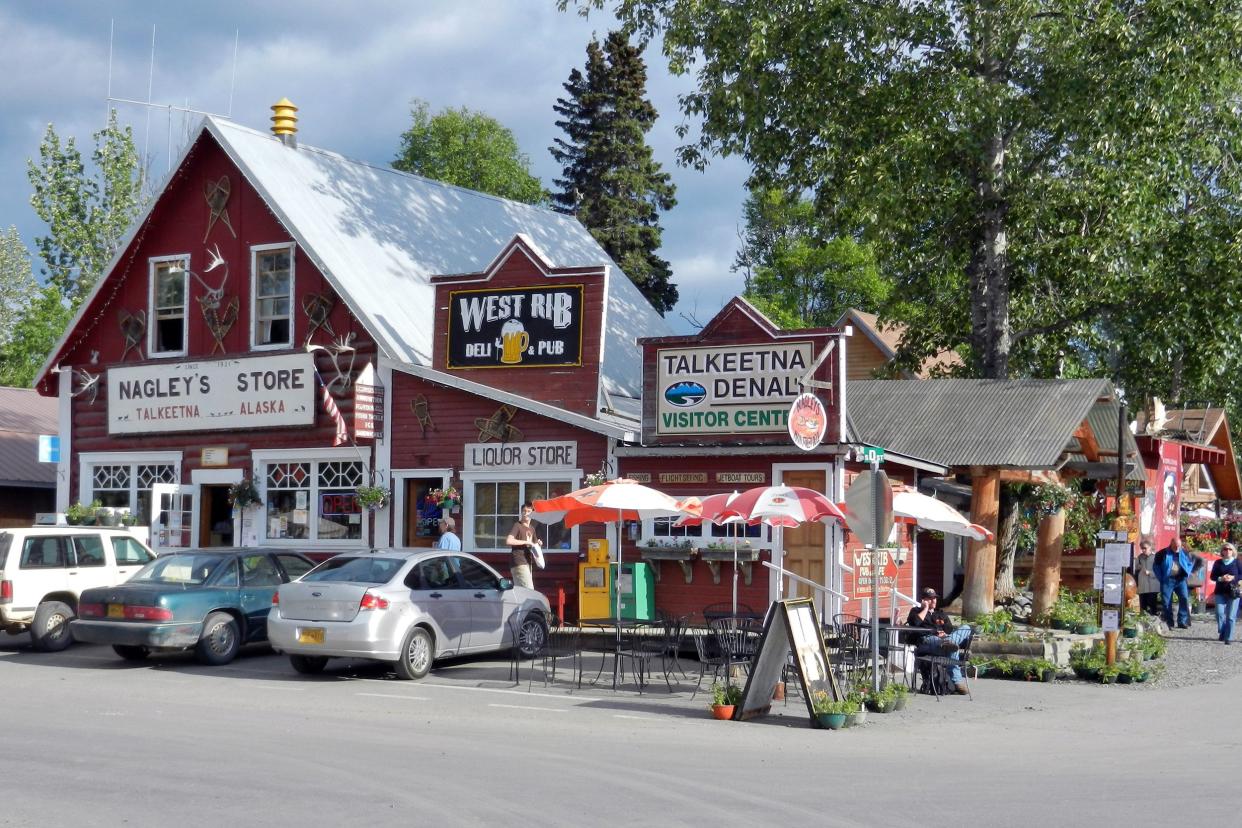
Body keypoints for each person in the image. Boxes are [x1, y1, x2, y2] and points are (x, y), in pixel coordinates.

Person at [905, 587, 973, 694]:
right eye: (930, 599)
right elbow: (915, 623)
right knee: (950, 646)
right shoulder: (916, 611)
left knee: (966, 628)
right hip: (926, 642)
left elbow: (949, 629)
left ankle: (949, 643)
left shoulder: (940, 614)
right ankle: (957, 681)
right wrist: (925, 608)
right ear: (923, 600)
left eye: (935, 598)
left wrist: (946, 634)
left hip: (943, 642)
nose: (934, 601)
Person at [1154, 535, 1203, 629]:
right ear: (1171, 544)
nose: (1177, 548)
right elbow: (1156, 567)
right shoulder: (1162, 553)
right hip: (1167, 580)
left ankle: (1182, 621)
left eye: (1178, 546)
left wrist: (1187, 572)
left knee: (1184, 598)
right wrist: (1161, 578)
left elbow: (1191, 562)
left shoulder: (1184, 552)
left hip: (1180, 579)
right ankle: (1169, 623)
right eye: (1175, 546)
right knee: (1166, 602)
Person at [1210, 542, 1242, 644]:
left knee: (1231, 616)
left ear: (1233, 551)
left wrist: (1233, 577)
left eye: (1230, 549)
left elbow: (1241, 575)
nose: (1227, 551)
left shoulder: (1237, 562)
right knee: (1219, 613)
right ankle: (1222, 631)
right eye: (1225, 549)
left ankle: (1229, 637)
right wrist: (1221, 578)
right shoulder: (1218, 563)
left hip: (1233, 592)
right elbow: (1212, 576)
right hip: (1220, 591)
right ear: (1222, 551)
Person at [505, 502, 541, 590]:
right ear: (521, 512)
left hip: (528, 562)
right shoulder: (517, 525)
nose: (526, 513)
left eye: (528, 511)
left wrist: (539, 543)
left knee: (522, 592)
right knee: (529, 590)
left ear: (532, 513)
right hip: (519, 561)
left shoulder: (532, 528)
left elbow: (535, 545)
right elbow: (509, 540)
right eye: (524, 511)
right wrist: (525, 542)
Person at [1131, 540, 1160, 616]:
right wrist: (1138, 566)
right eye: (1142, 548)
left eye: (1145, 548)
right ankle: (1144, 622)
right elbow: (1135, 568)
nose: (1143, 550)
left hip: (1152, 587)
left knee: (1153, 607)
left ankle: (1154, 623)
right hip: (1143, 586)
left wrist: (1150, 573)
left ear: (1150, 547)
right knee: (1143, 607)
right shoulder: (1140, 557)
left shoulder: (1156, 557)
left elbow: (1159, 571)